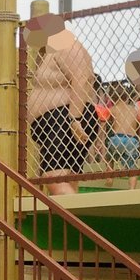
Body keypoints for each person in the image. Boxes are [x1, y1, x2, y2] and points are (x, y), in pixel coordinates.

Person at [24, 12, 100, 175]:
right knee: (67, 177)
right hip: (57, 121)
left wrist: (74, 118)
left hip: (64, 119)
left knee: (53, 177)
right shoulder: (51, 51)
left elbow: (81, 78)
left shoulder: (66, 45)